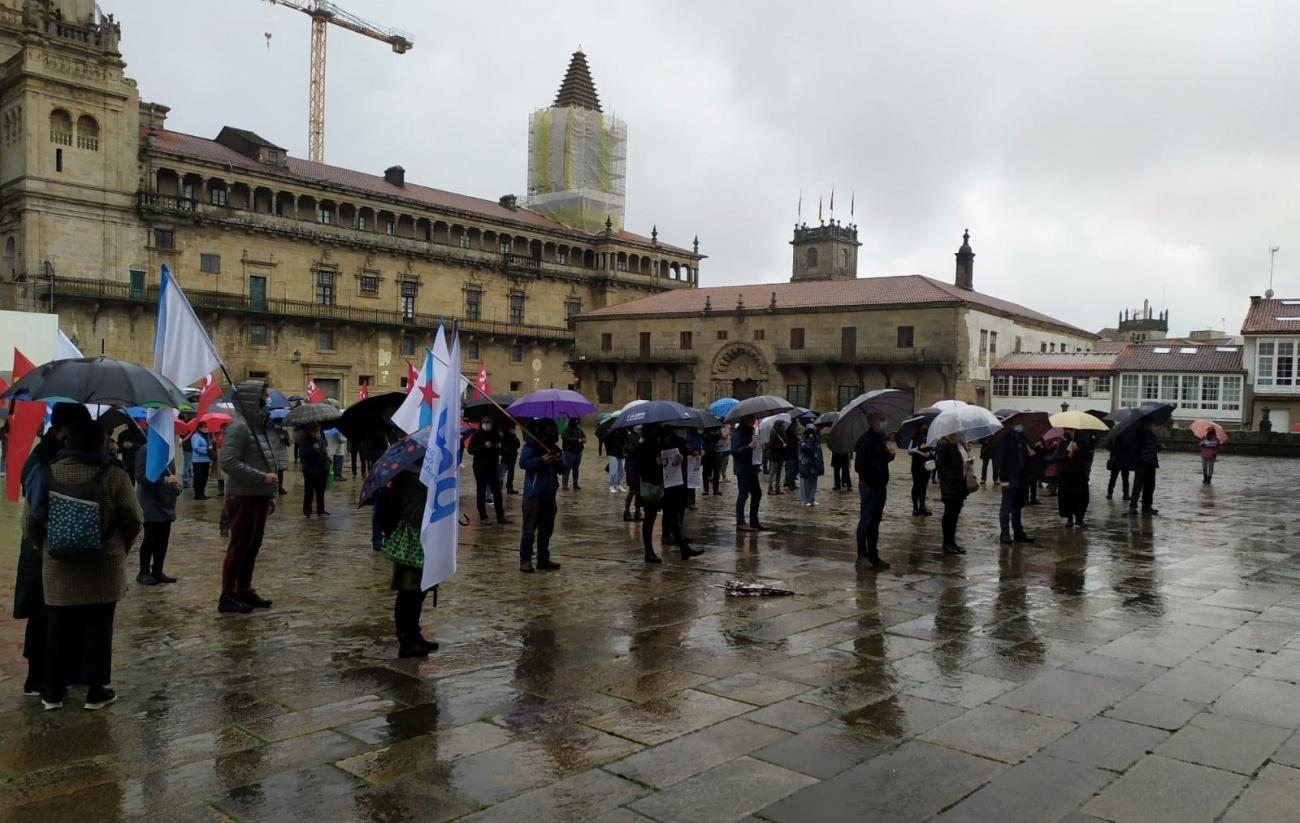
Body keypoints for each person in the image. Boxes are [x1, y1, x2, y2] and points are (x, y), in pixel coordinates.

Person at [24, 407, 142, 711]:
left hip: (58, 567)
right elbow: (133, 517)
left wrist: (47, 547)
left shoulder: (46, 472)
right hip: (103, 566)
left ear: (68, 442)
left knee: (58, 627)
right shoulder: (114, 475)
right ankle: (94, 691)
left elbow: (30, 523)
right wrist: (121, 546)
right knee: (98, 626)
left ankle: (52, 692)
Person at [12, 406, 81, 700]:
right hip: (41, 548)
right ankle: (38, 678)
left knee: (51, 614)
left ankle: (53, 674)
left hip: (47, 548)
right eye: (71, 432)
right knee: (43, 615)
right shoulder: (43, 461)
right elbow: (37, 510)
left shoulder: (51, 455)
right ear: (59, 431)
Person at [218, 381, 280, 614]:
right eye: (264, 395)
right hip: (242, 496)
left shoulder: (258, 427)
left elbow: (264, 459)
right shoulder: (239, 427)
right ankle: (228, 595)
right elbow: (228, 462)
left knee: (252, 546)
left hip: (258, 497)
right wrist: (261, 478)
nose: (267, 398)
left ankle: (244, 589)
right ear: (252, 399)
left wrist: (269, 494)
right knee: (239, 547)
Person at [375, 469, 439, 658]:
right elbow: (416, 514)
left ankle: (414, 634)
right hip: (410, 548)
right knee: (409, 593)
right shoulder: (410, 480)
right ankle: (406, 640)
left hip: (418, 546)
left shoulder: (418, 477)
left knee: (419, 592)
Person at [519, 419, 562, 573]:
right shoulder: (531, 446)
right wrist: (541, 460)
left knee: (546, 529)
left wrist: (558, 459)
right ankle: (525, 559)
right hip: (533, 493)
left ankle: (543, 558)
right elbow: (523, 463)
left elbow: (562, 469)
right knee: (529, 529)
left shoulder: (553, 447)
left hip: (550, 493)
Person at [134, 445, 181, 585]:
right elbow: (140, 476)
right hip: (151, 503)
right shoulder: (146, 450)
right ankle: (143, 572)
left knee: (163, 539)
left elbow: (172, 473)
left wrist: (175, 486)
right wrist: (163, 481)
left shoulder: (169, 450)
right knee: (151, 538)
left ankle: (158, 570)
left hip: (167, 502)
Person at [854, 412, 894, 570]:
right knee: (866, 521)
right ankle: (862, 555)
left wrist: (890, 456)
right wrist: (873, 478)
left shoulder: (880, 439)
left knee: (876, 521)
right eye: (881, 420)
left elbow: (882, 459)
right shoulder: (864, 440)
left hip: (880, 485)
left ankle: (873, 555)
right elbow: (859, 466)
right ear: (872, 422)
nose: (884, 422)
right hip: (869, 486)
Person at [995, 423, 1036, 545]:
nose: (1020, 427)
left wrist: (1031, 454)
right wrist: (1004, 479)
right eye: (1017, 425)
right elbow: (1001, 461)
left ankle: (1019, 533)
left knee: (1017, 507)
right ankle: (1005, 534)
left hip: (1022, 478)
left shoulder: (1023, 440)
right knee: (1006, 507)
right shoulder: (1006, 441)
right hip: (1010, 478)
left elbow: (1026, 459)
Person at [468, 418, 509, 524]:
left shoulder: (496, 435)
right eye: (484, 422)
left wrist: (500, 447)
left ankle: (500, 516)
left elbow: (502, 449)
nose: (486, 424)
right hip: (480, 467)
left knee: (497, 492)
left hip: (493, 467)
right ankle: (483, 516)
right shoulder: (477, 435)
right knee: (481, 492)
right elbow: (470, 450)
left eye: (489, 422)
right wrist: (483, 446)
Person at [934, 432, 968, 554]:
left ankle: (952, 542)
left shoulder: (956, 444)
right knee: (949, 514)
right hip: (950, 486)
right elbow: (941, 466)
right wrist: (952, 478)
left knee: (955, 514)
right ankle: (947, 543)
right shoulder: (943, 444)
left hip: (959, 484)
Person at [733, 417, 764, 531]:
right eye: (751, 417)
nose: (753, 419)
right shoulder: (737, 432)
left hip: (752, 467)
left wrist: (760, 446)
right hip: (743, 469)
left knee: (757, 494)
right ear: (745, 418)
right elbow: (735, 451)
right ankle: (740, 522)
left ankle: (754, 521)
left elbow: (755, 445)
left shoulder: (752, 430)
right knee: (743, 495)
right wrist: (748, 447)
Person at [1056, 428, 1091, 527]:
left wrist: (1079, 450)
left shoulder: (1082, 441)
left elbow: (1088, 457)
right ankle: (1069, 518)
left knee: (1081, 496)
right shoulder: (1063, 441)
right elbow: (1057, 457)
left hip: (1079, 473)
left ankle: (1079, 518)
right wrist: (1067, 456)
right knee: (1067, 496)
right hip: (1066, 474)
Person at [298, 423, 330, 517]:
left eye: (319, 430)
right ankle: (307, 510)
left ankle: (321, 509)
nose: (317, 432)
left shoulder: (321, 440)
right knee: (309, 491)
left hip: (322, 469)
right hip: (310, 470)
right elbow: (302, 455)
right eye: (316, 430)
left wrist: (328, 460)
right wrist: (313, 449)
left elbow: (324, 452)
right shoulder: (304, 441)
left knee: (321, 491)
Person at [1129, 419, 1161, 515]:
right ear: (1145, 425)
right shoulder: (1138, 435)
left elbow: (1153, 447)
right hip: (1141, 463)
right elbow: (1134, 448)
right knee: (1138, 485)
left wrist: (1158, 447)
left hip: (1151, 463)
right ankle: (1133, 506)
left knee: (1150, 486)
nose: (1152, 426)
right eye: (1151, 424)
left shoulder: (1152, 435)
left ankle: (1147, 507)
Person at [908, 424, 934, 517]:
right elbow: (909, 451)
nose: (925, 426)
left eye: (926, 425)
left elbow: (934, 451)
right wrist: (920, 452)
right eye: (923, 425)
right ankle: (915, 507)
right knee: (916, 485)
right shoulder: (914, 437)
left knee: (924, 485)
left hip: (927, 465)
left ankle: (922, 506)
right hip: (916, 465)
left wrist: (930, 452)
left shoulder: (930, 436)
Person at [797, 426, 824, 506]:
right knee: (804, 482)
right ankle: (805, 500)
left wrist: (820, 463)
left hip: (814, 463)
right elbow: (802, 452)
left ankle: (812, 499)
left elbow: (819, 452)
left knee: (813, 481)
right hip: (805, 463)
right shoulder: (802, 441)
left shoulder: (816, 440)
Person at [622, 427, 643, 522]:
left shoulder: (640, 436)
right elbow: (628, 449)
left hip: (639, 467)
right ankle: (626, 512)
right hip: (631, 468)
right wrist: (639, 443)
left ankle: (637, 512)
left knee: (639, 491)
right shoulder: (629, 437)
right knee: (633, 490)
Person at [560, 417, 586, 491]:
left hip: (578, 452)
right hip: (569, 452)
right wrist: (577, 440)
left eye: (577, 421)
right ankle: (564, 484)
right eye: (575, 421)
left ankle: (575, 483)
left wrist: (583, 439)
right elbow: (565, 438)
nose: (577, 422)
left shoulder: (578, 430)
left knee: (576, 469)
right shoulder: (566, 430)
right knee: (567, 468)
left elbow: (583, 436)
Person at [190, 422, 211, 500]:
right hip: (198, 461)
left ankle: (202, 493)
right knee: (199, 478)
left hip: (206, 460)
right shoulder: (196, 436)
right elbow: (196, 447)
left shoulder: (206, 436)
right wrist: (207, 450)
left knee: (205, 478)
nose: (206, 428)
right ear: (199, 428)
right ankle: (198, 494)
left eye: (206, 426)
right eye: (204, 427)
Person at [269, 418, 289, 496]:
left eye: (280, 423)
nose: (278, 425)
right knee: (273, 471)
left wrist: (284, 439)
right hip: (273, 452)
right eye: (277, 422)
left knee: (280, 471)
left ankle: (280, 487)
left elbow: (289, 444)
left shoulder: (284, 432)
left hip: (282, 453)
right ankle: (273, 487)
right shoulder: (270, 432)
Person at [603, 426, 627, 494]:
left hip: (621, 454)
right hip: (613, 453)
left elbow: (626, 441)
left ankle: (618, 484)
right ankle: (612, 486)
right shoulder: (612, 431)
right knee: (613, 470)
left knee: (621, 470)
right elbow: (606, 439)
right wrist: (609, 450)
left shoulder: (624, 431)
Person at [766, 420, 787, 495]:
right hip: (774, 455)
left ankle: (777, 488)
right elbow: (771, 445)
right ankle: (770, 488)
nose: (783, 426)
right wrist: (781, 446)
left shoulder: (782, 432)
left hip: (780, 455)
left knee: (779, 472)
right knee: (773, 472)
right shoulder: (774, 432)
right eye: (782, 425)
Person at [499, 425, 520, 495]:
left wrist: (516, 438)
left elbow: (518, 445)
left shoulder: (513, 436)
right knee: (502, 473)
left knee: (511, 474)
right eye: (512, 428)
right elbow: (502, 446)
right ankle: (499, 486)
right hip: (506, 457)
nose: (513, 430)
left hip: (512, 457)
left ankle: (509, 488)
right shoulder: (503, 435)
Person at [702, 427, 721, 495]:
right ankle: (706, 489)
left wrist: (710, 434)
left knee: (716, 471)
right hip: (706, 452)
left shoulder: (717, 427)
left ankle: (716, 489)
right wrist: (712, 435)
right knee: (705, 472)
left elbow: (718, 436)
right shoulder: (704, 428)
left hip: (716, 452)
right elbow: (703, 436)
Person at [782, 421, 800, 491]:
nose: (797, 427)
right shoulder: (788, 433)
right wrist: (796, 439)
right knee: (790, 470)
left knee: (794, 470)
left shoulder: (792, 433)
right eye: (796, 425)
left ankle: (792, 483)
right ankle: (788, 484)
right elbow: (789, 444)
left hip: (794, 454)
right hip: (790, 455)